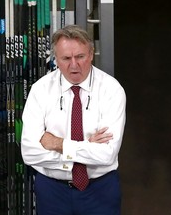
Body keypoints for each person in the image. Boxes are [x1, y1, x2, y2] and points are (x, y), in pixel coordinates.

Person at [21, 24, 126, 215]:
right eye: (66, 58)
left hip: (100, 190)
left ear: (91, 54)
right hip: (52, 191)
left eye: (80, 57)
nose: (74, 65)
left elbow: (107, 154)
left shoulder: (112, 90)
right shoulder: (40, 90)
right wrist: (85, 149)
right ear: (56, 59)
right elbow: (29, 152)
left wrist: (58, 144)